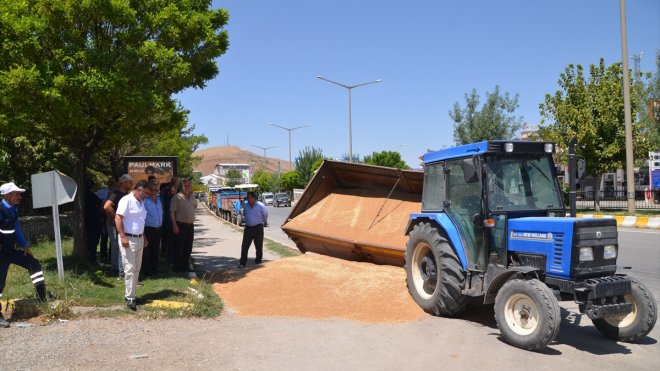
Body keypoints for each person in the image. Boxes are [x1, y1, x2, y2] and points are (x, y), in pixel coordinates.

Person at [0, 182, 47, 328]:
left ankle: (42, 299)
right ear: (8, 195)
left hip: (11, 251)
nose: (20, 196)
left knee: (33, 264)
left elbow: (16, 228)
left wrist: (25, 245)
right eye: (17, 194)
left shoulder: (13, 209)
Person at [115, 180, 150, 310]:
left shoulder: (141, 202)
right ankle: (130, 298)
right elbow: (118, 218)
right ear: (138, 189)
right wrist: (123, 236)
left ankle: (132, 293)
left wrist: (144, 236)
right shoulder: (126, 200)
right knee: (129, 268)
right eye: (145, 193)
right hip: (128, 239)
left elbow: (141, 221)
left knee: (136, 268)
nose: (146, 195)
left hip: (139, 239)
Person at [103, 174, 133, 278]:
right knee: (117, 246)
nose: (132, 184)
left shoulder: (127, 194)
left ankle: (120, 269)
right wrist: (116, 218)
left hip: (123, 225)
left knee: (120, 247)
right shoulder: (115, 192)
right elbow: (107, 207)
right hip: (113, 224)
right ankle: (116, 269)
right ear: (124, 182)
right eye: (130, 182)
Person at [170, 178, 197, 274]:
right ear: (182, 186)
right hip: (180, 226)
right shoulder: (177, 197)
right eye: (185, 185)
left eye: (189, 185)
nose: (187, 187)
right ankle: (177, 267)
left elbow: (194, 207)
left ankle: (185, 265)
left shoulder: (193, 197)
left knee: (188, 247)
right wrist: (174, 225)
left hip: (190, 226)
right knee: (179, 247)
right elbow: (172, 212)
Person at [239, 191, 268, 268]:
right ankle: (242, 263)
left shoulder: (261, 206)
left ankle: (258, 262)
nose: (248, 199)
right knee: (244, 246)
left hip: (258, 228)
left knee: (258, 246)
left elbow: (265, 215)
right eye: (247, 197)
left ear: (254, 198)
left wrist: (261, 222)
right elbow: (244, 213)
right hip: (248, 228)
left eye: (249, 197)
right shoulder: (245, 205)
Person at [141, 181, 162, 277]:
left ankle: (154, 269)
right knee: (147, 250)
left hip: (158, 229)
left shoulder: (159, 199)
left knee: (156, 250)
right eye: (152, 190)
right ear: (149, 191)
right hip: (148, 229)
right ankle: (146, 271)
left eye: (156, 190)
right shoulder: (145, 201)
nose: (154, 191)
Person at [160, 177, 180, 264]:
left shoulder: (171, 191)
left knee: (170, 238)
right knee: (169, 238)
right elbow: (172, 193)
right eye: (177, 182)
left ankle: (169, 256)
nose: (178, 184)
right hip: (168, 217)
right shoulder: (168, 190)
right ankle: (168, 257)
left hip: (171, 216)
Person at [95, 179, 114, 263]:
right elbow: (94, 198)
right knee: (104, 235)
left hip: (112, 216)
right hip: (103, 216)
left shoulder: (115, 192)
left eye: (112, 182)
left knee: (113, 238)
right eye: (109, 182)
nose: (110, 184)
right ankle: (103, 255)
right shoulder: (101, 192)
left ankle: (111, 255)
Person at [84, 181, 103, 262]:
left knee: (89, 239)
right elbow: (101, 203)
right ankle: (92, 257)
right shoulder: (91, 194)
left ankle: (89, 256)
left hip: (87, 219)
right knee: (94, 239)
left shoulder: (82, 195)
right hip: (94, 220)